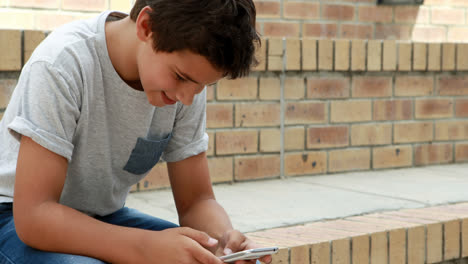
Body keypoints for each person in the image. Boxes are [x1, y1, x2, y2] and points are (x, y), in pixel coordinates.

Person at [0, 0, 271, 263]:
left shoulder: (185, 86)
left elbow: (196, 201)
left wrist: (223, 243)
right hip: (14, 220)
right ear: (146, 26)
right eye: (181, 77)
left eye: (202, 85)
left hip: (103, 217)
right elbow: (35, 216)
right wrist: (144, 249)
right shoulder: (62, 63)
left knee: (202, 257)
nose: (188, 97)